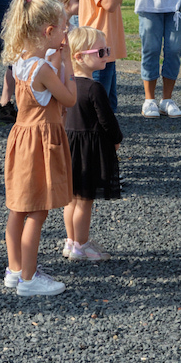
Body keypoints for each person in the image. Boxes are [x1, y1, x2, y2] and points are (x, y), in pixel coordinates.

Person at [0, 0, 77, 297]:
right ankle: (30, 280)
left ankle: (15, 269)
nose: (65, 33)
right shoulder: (42, 70)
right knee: (37, 211)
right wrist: (68, 62)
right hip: (41, 142)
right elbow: (69, 97)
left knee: (18, 208)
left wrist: (56, 59)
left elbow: (45, 76)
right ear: (49, 32)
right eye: (62, 28)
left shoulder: (22, 62)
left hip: (22, 138)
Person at [62, 26, 123, 262]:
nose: (106, 55)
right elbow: (107, 120)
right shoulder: (94, 88)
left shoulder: (66, 84)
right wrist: (116, 139)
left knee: (71, 198)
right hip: (88, 150)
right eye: (100, 52)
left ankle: (71, 241)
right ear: (79, 57)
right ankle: (81, 244)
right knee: (85, 201)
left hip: (69, 145)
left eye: (106, 50)